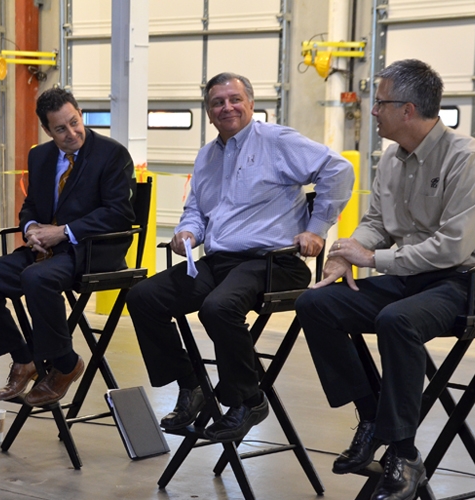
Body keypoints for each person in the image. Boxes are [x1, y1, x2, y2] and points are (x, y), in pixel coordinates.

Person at [295, 59, 475, 500]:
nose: (373, 111)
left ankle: (404, 452)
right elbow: (377, 222)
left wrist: (373, 258)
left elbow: (452, 248)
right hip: (413, 278)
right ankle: (371, 415)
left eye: (380, 103)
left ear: (408, 110)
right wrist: (347, 253)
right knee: (315, 304)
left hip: (469, 284)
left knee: (398, 320)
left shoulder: (471, 159)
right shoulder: (393, 159)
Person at [126, 72, 354, 443]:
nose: (227, 107)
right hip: (220, 262)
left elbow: (339, 169)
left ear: (250, 103)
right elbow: (197, 209)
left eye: (235, 99)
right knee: (143, 297)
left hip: (273, 262)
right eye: (217, 102)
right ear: (208, 112)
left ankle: (249, 400)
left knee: (218, 308)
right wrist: (188, 232)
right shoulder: (207, 155)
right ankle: (192, 385)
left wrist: (317, 228)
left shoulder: (276, 141)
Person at [0, 87, 135, 408]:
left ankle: (65, 364)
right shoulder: (40, 156)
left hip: (90, 251)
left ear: (80, 113)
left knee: (36, 278)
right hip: (44, 251)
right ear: (46, 130)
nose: (72, 133)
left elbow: (119, 214)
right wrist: (30, 228)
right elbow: (31, 205)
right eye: (60, 129)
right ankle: (24, 358)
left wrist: (64, 232)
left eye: (74, 122)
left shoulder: (112, 154)